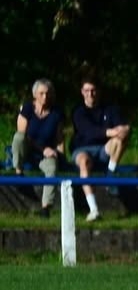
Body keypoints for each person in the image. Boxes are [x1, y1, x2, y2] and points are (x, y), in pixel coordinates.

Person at [70, 80, 131, 223]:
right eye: (87, 90)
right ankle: (94, 210)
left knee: (120, 140)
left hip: (104, 149)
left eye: (93, 90)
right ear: (82, 92)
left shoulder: (110, 109)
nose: (90, 94)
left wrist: (125, 129)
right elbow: (89, 131)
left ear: (98, 91)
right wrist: (112, 131)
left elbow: (122, 127)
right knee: (84, 162)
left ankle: (110, 174)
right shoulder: (78, 111)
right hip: (82, 149)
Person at [11, 79, 65, 216]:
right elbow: (23, 135)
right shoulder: (27, 109)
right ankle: (18, 172)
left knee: (52, 166)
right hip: (28, 148)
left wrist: (60, 156)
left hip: (45, 153)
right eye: (41, 93)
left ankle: (46, 207)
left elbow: (59, 138)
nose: (45, 97)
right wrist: (43, 149)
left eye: (47, 93)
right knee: (18, 137)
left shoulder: (56, 113)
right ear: (35, 94)